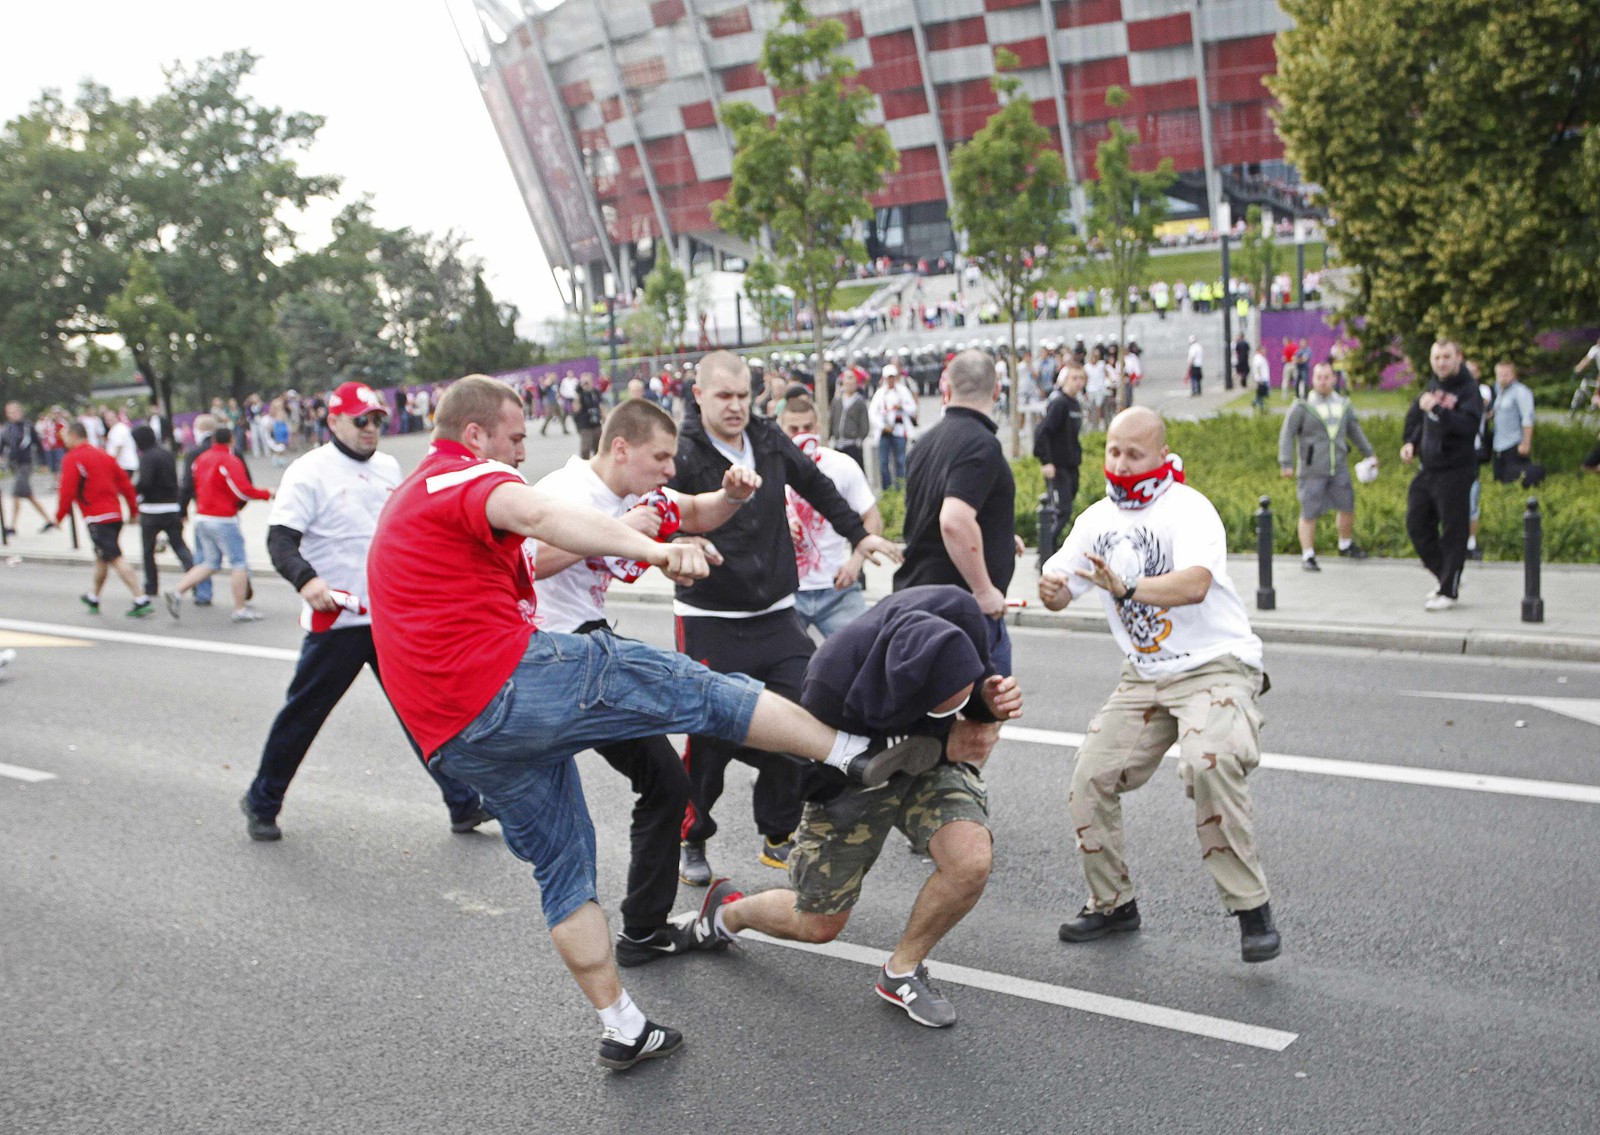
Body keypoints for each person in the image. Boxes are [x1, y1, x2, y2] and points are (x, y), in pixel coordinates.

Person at [363, 374, 937, 1070]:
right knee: (693, 688)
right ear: (477, 434)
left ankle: (622, 1025)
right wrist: (655, 551)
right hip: (514, 676)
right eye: (516, 438)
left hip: (455, 734)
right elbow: (539, 521)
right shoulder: (462, 475)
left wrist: (711, 505)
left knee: (564, 863)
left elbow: (687, 508)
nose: (521, 452)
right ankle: (847, 751)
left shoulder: (422, 499)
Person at [707, 586, 1023, 1028]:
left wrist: (989, 706)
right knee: (817, 925)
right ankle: (727, 911)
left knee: (970, 860)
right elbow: (812, 776)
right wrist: (937, 741)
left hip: (928, 760)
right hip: (845, 778)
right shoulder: (828, 684)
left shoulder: (958, 612)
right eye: (943, 706)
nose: (962, 701)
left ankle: (902, 971)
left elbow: (974, 700)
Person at [1039, 407, 1281, 964]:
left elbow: (1195, 585)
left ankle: (1251, 909)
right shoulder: (1098, 517)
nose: (1120, 463)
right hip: (1144, 674)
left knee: (1208, 760)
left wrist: (1127, 589)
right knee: (1089, 777)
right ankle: (1113, 904)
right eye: (1113, 451)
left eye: (1133, 453)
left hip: (1214, 665)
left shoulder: (1190, 510)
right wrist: (1052, 591)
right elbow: (1061, 584)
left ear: (1159, 452)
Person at [530, 396, 762, 965]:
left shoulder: (638, 493)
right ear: (620, 448)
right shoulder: (564, 494)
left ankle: (641, 931)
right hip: (553, 661)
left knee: (663, 781)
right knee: (700, 716)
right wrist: (617, 531)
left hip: (587, 654)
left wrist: (732, 495)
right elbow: (528, 560)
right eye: (660, 458)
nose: (669, 470)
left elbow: (696, 510)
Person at [670, 352, 904, 885]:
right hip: (710, 617)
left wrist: (858, 534)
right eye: (722, 396)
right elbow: (650, 508)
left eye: (741, 395)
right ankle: (692, 836)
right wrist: (676, 540)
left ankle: (777, 830)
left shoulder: (768, 438)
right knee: (709, 737)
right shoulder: (683, 452)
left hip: (776, 615)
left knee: (805, 720)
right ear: (699, 395)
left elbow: (818, 486)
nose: (734, 406)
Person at [239, 382, 490, 842]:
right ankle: (262, 801)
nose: (371, 428)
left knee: (425, 712)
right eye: (361, 420)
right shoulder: (308, 471)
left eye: (377, 419)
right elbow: (279, 539)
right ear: (333, 421)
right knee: (304, 716)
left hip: (393, 617)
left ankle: (462, 802)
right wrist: (307, 580)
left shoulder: (389, 466)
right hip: (339, 620)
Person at [894, 348, 1020, 768]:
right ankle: (953, 805)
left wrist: (1002, 538)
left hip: (920, 597)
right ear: (997, 390)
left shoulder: (926, 442)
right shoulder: (981, 445)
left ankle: (935, 795)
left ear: (945, 388)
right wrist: (984, 590)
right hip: (963, 608)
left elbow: (936, 517)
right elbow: (953, 520)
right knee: (986, 714)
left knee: (937, 717)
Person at [777, 396, 880, 638]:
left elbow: (872, 518)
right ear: (781, 429)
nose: (801, 434)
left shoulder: (841, 465)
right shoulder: (768, 467)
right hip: (786, 591)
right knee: (778, 666)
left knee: (866, 651)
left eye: (807, 427)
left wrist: (855, 563)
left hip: (837, 589)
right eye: (793, 428)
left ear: (818, 427)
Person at [1400, 339, 1483, 611]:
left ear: (1458, 358)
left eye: (1446, 357)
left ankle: (1448, 589)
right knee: (1416, 523)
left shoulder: (1469, 391)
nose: (1441, 363)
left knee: (1452, 530)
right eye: (1436, 358)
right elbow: (1419, 419)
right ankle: (1446, 576)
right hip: (1429, 469)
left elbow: (1467, 427)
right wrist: (1411, 442)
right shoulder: (1433, 385)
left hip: (1456, 470)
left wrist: (1437, 409)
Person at [164, 426, 272, 622]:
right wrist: (267, 494)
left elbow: (190, 484)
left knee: (209, 563)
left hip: (203, 516)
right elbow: (242, 490)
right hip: (223, 518)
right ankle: (240, 608)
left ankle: (177, 591)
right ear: (231, 440)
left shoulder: (200, 460)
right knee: (238, 562)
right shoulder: (230, 460)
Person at [1277, 361, 1376, 570]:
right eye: (1319, 377)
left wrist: (1369, 454)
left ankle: (1345, 544)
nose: (1323, 381)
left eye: (1327, 377)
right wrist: (1286, 462)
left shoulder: (1343, 404)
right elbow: (1287, 434)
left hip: (1338, 466)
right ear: (1313, 379)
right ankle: (1308, 554)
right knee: (1309, 511)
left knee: (1347, 505)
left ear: (1334, 379)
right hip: (1312, 468)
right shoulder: (1302, 405)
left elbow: (1355, 431)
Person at [54, 422, 153, 617]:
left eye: (66, 436)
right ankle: (94, 596)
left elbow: (68, 490)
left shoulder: (73, 458)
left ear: (74, 435)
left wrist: (59, 516)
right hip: (114, 514)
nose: (64, 440)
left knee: (114, 556)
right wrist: (132, 510)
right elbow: (125, 483)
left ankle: (140, 597)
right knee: (102, 556)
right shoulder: (103, 455)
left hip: (97, 516)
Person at [131, 424, 194, 602]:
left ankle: (151, 586)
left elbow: (145, 482)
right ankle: (195, 579)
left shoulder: (147, 458)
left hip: (151, 509)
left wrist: (133, 491)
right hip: (171, 506)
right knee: (179, 546)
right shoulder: (166, 454)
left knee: (148, 550)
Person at [1033, 362, 1086, 544]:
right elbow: (1042, 432)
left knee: (1067, 509)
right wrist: (1046, 461)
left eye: (1081, 379)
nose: (1078, 383)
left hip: (1071, 465)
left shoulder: (1075, 404)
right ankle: (1046, 550)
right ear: (1064, 380)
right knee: (1061, 511)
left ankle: (1051, 547)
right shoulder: (1059, 403)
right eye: (1074, 378)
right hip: (1058, 466)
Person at [3, 401, 56, 537]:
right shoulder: (8, 428)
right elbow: (2, 444)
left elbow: (38, 444)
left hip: (25, 464)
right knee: (29, 495)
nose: (12, 415)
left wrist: (43, 462)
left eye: (14, 412)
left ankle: (12, 526)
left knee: (16, 493)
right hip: (15, 465)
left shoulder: (27, 426)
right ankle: (49, 520)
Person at [1488, 360, 1543, 488]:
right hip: (1499, 445)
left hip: (1514, 443)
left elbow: (1527, 418)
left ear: (1513, 374)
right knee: (1499, 480)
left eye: (1506, 374)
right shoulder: (1500, 391)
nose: (1502, 378)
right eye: (1499, 374)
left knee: (1517, 480)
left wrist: (1526, 443)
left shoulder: (1521, 392)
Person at [868, 363, 919, 491]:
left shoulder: (903, 391)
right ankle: (887, 490)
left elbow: (913, 408)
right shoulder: (880, 394)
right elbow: (872, 413)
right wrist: (882, 426)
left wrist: (902, 407)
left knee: (901, 462)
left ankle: (900, 489)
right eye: (888, 377)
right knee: (884, 463)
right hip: (885, 431)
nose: (890, 380)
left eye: (892, 377)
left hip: (899, 431)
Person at [829, 369, 870, 470]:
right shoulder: (836, 401)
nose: (849, 382)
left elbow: (865, 424)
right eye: (846, 379)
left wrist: (859, 439)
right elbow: (832, 420)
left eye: (851, 379)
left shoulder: (860, 402)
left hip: (853, 444)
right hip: (838, 444)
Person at [574, 372, 605, 459]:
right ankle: (585, 466)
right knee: (585, 449)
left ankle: (596, 467)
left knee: (598, 448)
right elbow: (576, 409)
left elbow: (600, 406)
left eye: (588, 381)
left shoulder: (595, 392)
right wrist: (578, 394)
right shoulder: (580, 394)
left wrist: (605, 419)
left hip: (596, 423)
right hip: (585, 425)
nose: (586, 384)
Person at [1250, 343, 1272, 412]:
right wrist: (1260, 379)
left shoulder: (1261, 357)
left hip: (1264, 378)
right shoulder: (1258, 358)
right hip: (1262, 379)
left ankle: (1256, 403)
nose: (1265, 351)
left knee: (1261, 394)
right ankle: (1259, 406)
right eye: (1263, 350)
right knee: (1262, 394)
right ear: (1259, 350)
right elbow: (1258, 368)